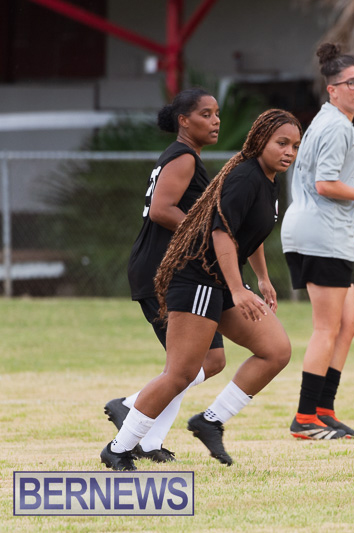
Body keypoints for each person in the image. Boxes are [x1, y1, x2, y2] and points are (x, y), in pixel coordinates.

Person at [100, 109, 302, 470]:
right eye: (281, 143)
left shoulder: (267, 181)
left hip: (222, 280)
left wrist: (263, 279)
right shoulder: (244, 177)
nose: (289, 151)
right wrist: (238, 290)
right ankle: (118, 447)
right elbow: (221, 232)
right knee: (180, 372)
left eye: (295, 146)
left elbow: (246, 235)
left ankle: (209, 421)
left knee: (276, 350)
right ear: (260, 141)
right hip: (198, 279)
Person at [104, 88, 227, 464]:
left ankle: (142, 426)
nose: (216, 120)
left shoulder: (185, 157)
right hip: (163, 272)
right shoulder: (184, 156)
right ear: (183, 121)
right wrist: (206, 233)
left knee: (211, 360)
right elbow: (161, 209)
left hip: (174, 271)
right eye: (205, 114)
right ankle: (133, 413)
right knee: (185, 366)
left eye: (217, 113)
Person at [280, 43, 354, 440]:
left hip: (322, 230)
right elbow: (325, 185)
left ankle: (324, 409)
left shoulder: (330, 121)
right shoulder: (338, 126)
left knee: (348, 322)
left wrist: (352, 210)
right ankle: (306, 418)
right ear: (332, 89)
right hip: (319, 235)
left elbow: (317, 180)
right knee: (326, 328)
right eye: (350, 83)